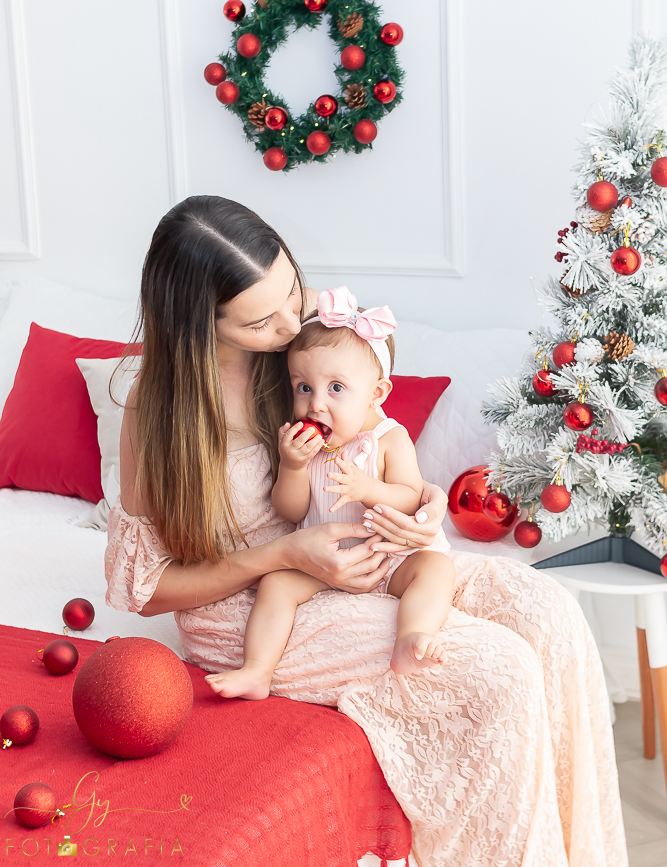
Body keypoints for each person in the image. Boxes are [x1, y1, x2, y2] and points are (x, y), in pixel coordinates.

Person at [105, 196, 628, 867]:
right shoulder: (157, 411)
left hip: (353, 542)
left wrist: (424, 500)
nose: (292, 321)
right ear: (199, 324)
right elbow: (145, 590)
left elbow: (373, 417)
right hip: (256, 598)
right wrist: (287, 553)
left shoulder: (304, 321)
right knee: (498, 672)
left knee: (545, 612)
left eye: (291, 289)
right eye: (264, 320)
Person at [204, 285, 455, 700]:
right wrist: (293, 466)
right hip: (321, 563)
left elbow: (411, 496)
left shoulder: (389, 438)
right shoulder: (308, 445)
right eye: (304, 387)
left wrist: (367, 488)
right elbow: (290, 510)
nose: (316, 405)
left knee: (435, 570)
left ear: (377, 394)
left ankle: (412, 637)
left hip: (386, 560)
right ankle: (256, 671)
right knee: (276, 585)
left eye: (336, 388)